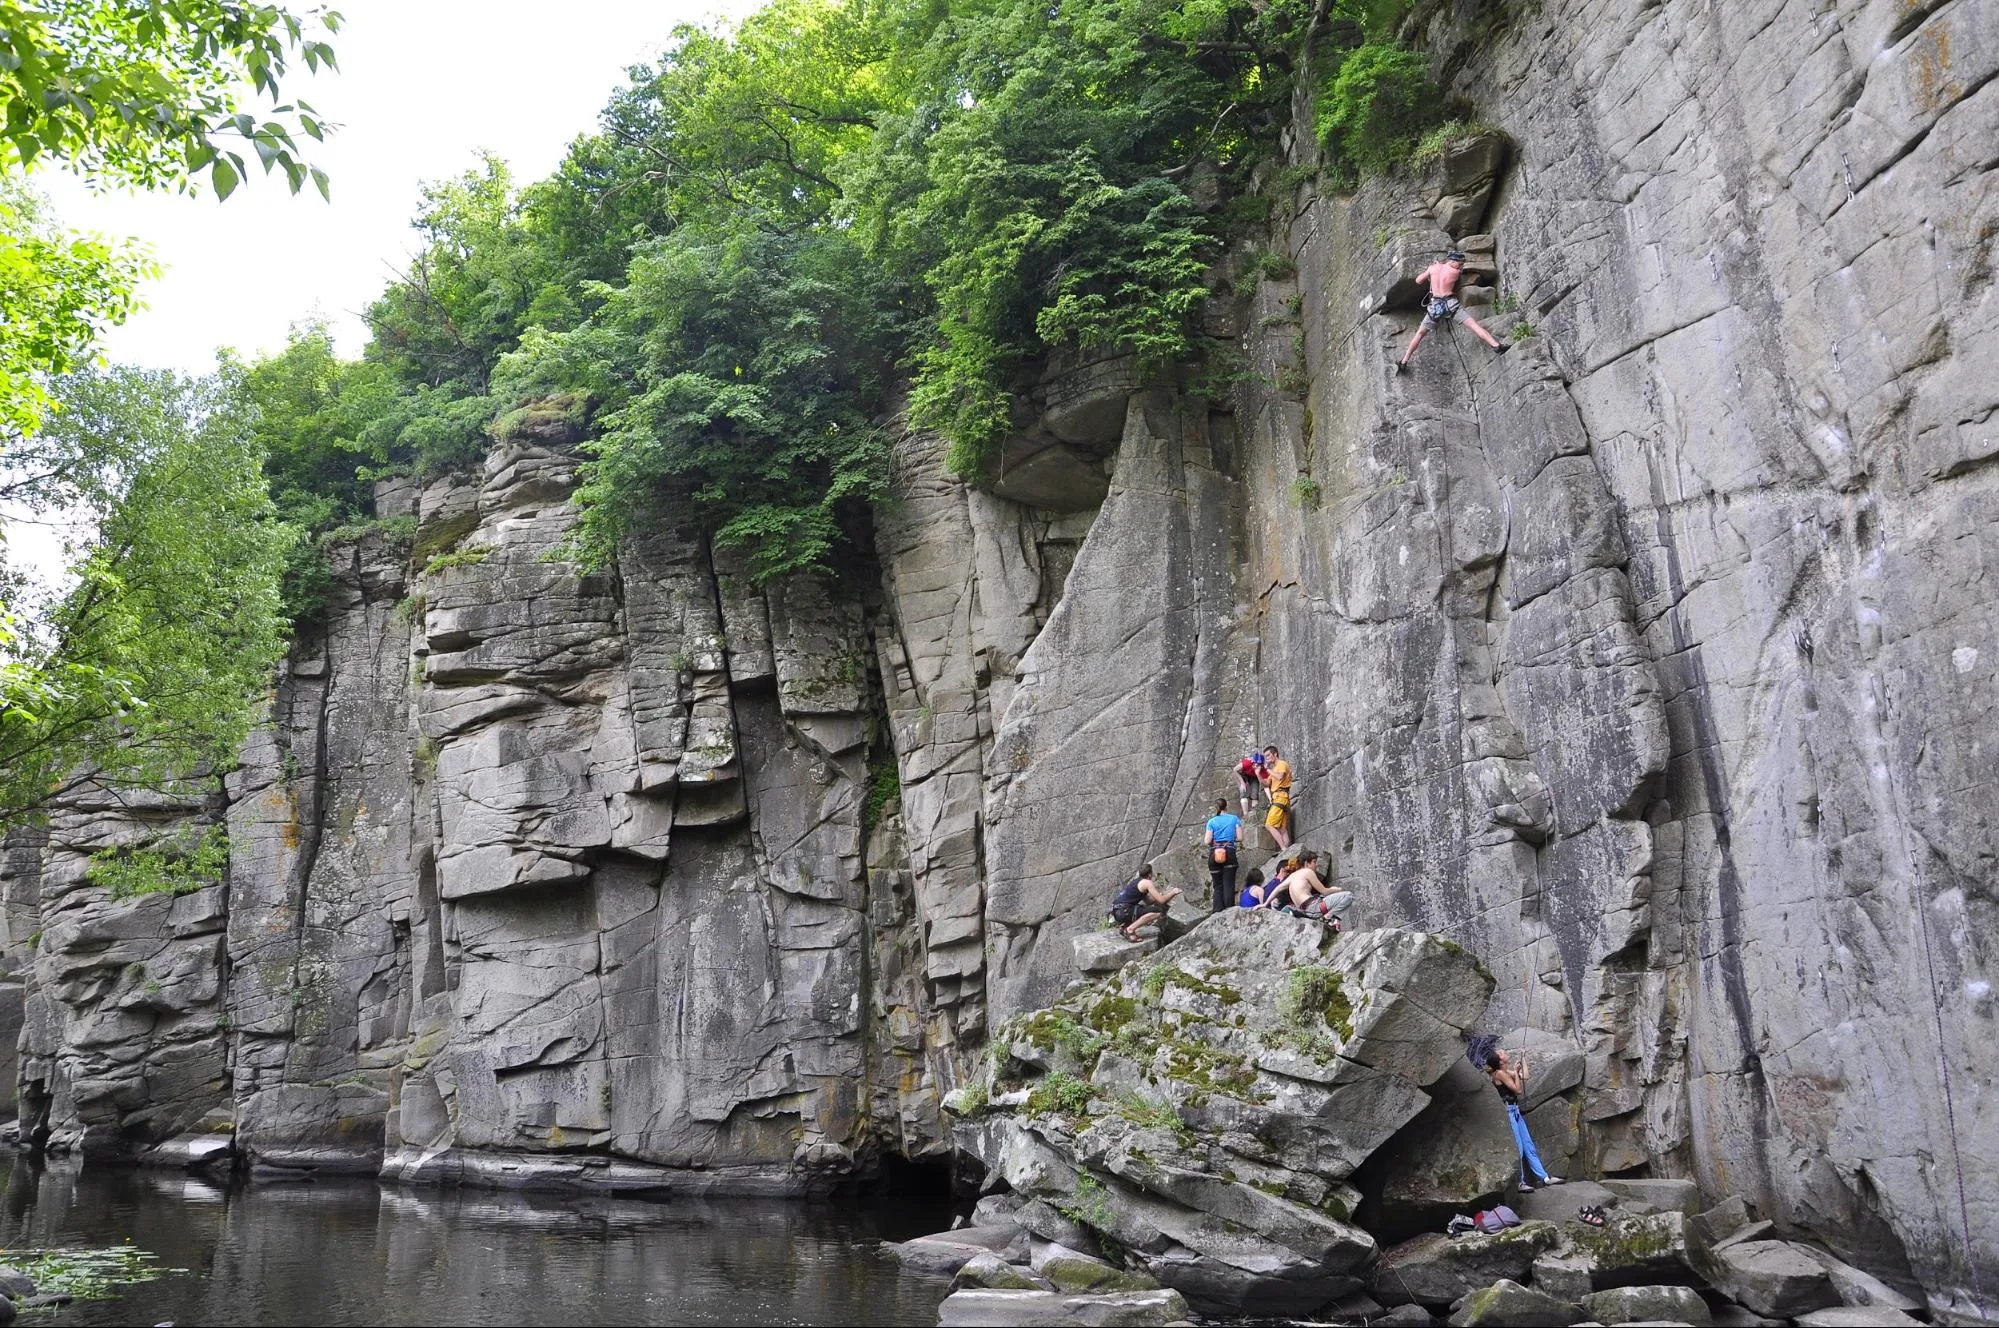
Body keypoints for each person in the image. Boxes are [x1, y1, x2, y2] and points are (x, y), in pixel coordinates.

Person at [1396, 249, 1505, 370]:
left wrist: (1431, 272)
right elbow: (1454, 276)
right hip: (1451, 304)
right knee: (1474, 326)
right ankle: (1496, 345)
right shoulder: (1456, 272)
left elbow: (1418, 280)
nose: (1461, 266)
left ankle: (1404, 361)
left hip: (1435, 307)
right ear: (1452, 261)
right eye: (1460, 263)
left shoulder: (1433, 268)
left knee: (1420, 334)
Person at [1483, 1046, 1564, 1192]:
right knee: (1519, 1148)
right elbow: (1518, 1090)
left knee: (1528, 1145)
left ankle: (1545, 1178)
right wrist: (1517, 1074)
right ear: (1500, 1061)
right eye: (1501, 1053)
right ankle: (1520, 1182)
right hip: (1508, 1113)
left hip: (1515, 1112)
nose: (1504, 1052)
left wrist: (1523, 1059)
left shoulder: (1505, 1071)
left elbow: (1525, 1077)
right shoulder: (1500, 1074)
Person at [1279, 850, 1353, 930]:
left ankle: (1332, 921)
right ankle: (1328, 918)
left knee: (1331, 900)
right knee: (1348, 896)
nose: (1317, 865)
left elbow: (1277, 889)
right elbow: (1324, 891)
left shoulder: (1292, 878)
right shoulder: (1307, 872)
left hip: (1306, 908)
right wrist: (1336, 889)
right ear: (1307, 863)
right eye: (1314, 862)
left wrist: (1265, 904)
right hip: (1313, 907)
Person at [1108, 863, 1180, 943]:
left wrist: (1161, 894)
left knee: (1141, 909)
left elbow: (1148, 901)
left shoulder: (1137, 881)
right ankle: (1130, 930)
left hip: (1117, 911)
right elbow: (1161, 900)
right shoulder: (1147, 882)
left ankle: (1125, 927)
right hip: (1124, 911)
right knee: (1158, 912)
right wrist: (1173, 892)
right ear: (1150, 874)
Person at [1204, 799, 1243, 913]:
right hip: (1229, 852)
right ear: (1226, 806)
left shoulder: (1211, 822)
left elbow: (1207, 841)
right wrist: (1230, 839)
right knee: (1228, 883)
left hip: (1214, 854)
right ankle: (1229, 912)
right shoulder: (1234, 819)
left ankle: (1217, 912)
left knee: (1217, 885)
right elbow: (1240, 838)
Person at [1259, 745, 1294, 852]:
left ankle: (1283, 848)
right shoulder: (1273, 769)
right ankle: (1286, 851)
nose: (1267, 758)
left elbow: (1280, 777)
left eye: (1269, 755)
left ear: (1275, 754)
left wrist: (1267, 769)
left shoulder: (1281, 764)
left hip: (1280, 797)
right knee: (1282, 829)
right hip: (1280, 798)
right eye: (1265, 756)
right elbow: (1266, 783)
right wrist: (1258, 773)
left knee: (1269, 825)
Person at [1235, 751, 1267, 822]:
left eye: (1259, 765)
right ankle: (1245, 815)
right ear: (1253, 762)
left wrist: (1258, 774)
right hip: (1243, 774)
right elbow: (1235, 770)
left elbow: (1265, 783)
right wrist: (1242, 782)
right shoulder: (1246, 763)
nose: (1257, 766)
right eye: (1256, 764)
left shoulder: (1263, 770)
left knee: (1255, 794)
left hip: (1254, 776)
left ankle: (1254, 813)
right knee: (1243, 791)